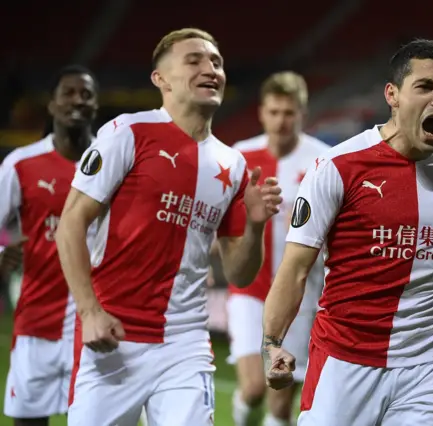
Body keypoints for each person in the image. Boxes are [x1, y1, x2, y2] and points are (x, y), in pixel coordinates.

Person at [261, 39, 433, 425]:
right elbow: (295, 269)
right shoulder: (338, 167)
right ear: (392, 94)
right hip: (345, 361)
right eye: (424, 87)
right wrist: (272, 344)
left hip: (428, 367)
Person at [55, 28, 283, 426]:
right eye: (193, 60)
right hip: (113, 336)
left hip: (185, 342)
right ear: (160, 79)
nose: (210, 68)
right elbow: (71, 222)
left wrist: (255, 227)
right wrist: (89, 311)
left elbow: (239, 273)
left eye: (216, 62)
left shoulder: (234, 165)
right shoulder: (128, 132)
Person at [226, 71, 330, 426]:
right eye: (274, 112)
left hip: (298, 293)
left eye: (289, 113)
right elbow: (224, 220)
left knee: (282, 405)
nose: (281, 121)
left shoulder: (324, 161)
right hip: (249, 290)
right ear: (261, 113)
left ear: (302, 112)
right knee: (254, 388)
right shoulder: (242, 156)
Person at [1, 65, 99, 426]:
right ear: (53, 106)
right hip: (37, 322)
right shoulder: (22, 164)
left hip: (98, 326)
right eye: (69, 93)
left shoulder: (117, 164)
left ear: (96, 105)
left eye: (86, 94)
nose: (77, 100)